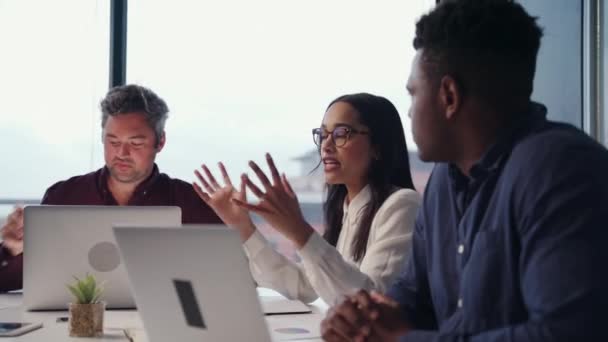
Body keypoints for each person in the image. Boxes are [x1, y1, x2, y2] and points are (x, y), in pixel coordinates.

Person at [321, 0, 608, 341]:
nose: (410, 113)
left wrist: (401, 340)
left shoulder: (562, 169)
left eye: (413, 94)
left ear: (449, 96)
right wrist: (363, 318)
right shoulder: (443, 181)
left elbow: (565, 334)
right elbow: (415, 297)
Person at [194, 93, 421, 305]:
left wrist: (298, 230)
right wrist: (243, 228)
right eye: (322, 135)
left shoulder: (402, 204)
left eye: (341, 133)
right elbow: (307, 287)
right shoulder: (348, 208)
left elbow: (371, 302)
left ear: (377, 147)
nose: (326, 145)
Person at [0, 84, 221, 292]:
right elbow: (10, 281)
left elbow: (226, 280)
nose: (122, 153)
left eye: (136, 143)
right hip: (75, 325)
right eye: (113, 141)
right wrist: (9, 249)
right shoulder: (64, 196)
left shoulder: (191, 202)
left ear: (160, 142)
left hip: (162, 325)